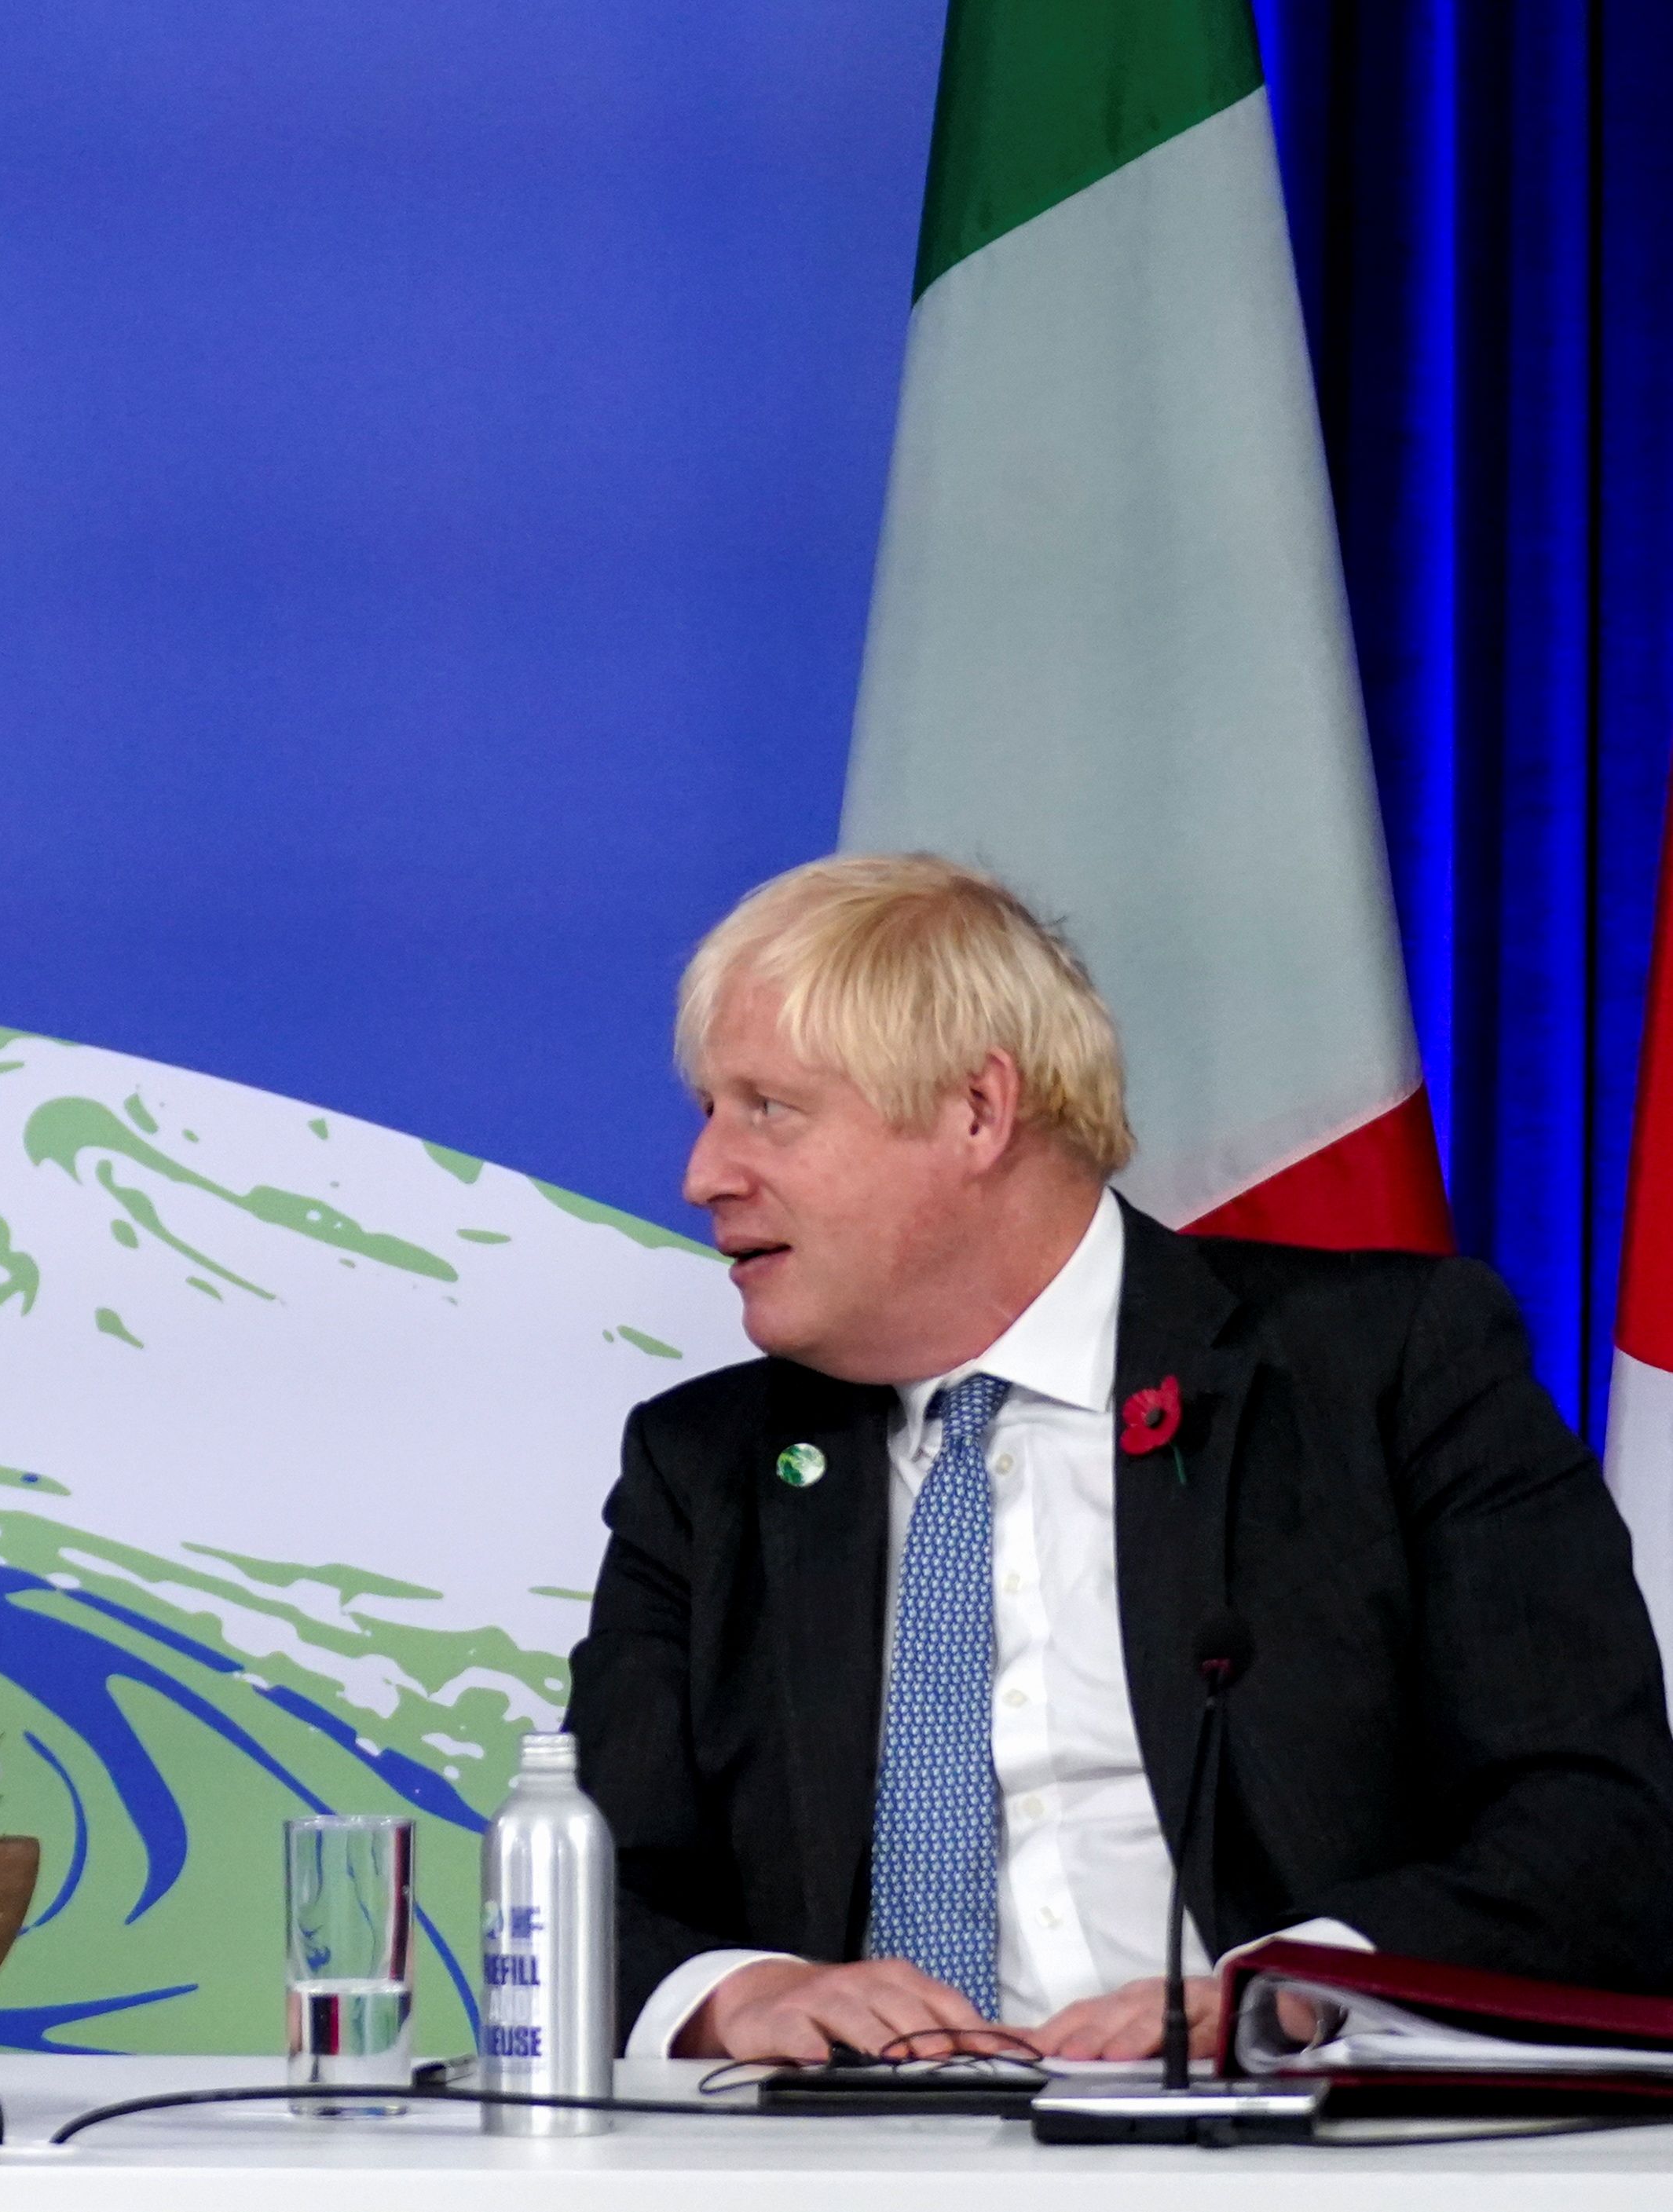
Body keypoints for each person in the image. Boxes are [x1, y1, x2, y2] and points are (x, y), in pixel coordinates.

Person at [568, 854, 1673, 2064]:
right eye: (709, 1112)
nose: (703, 1175)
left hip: (1279, 2153)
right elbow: (582, 1883)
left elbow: (1600, 1826)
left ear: (977, 1111)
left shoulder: (1389, 1372)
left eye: (767, 1109)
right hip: (846, 2160)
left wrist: (1294, 1991)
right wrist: (741, 1993)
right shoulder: (704, 1469)